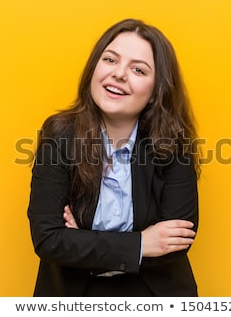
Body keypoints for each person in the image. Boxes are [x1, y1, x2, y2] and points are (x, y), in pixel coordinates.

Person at [27, 18, 200, 297]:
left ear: (156, 91)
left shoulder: (173, 144)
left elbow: (176, 242)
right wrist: (142, 243)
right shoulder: (59, 134)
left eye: (138, 69)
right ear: (94, 67)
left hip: (154, 296)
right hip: (74, 296)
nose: (119, 74)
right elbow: (49, 240)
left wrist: (82, 240)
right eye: (110, 59)